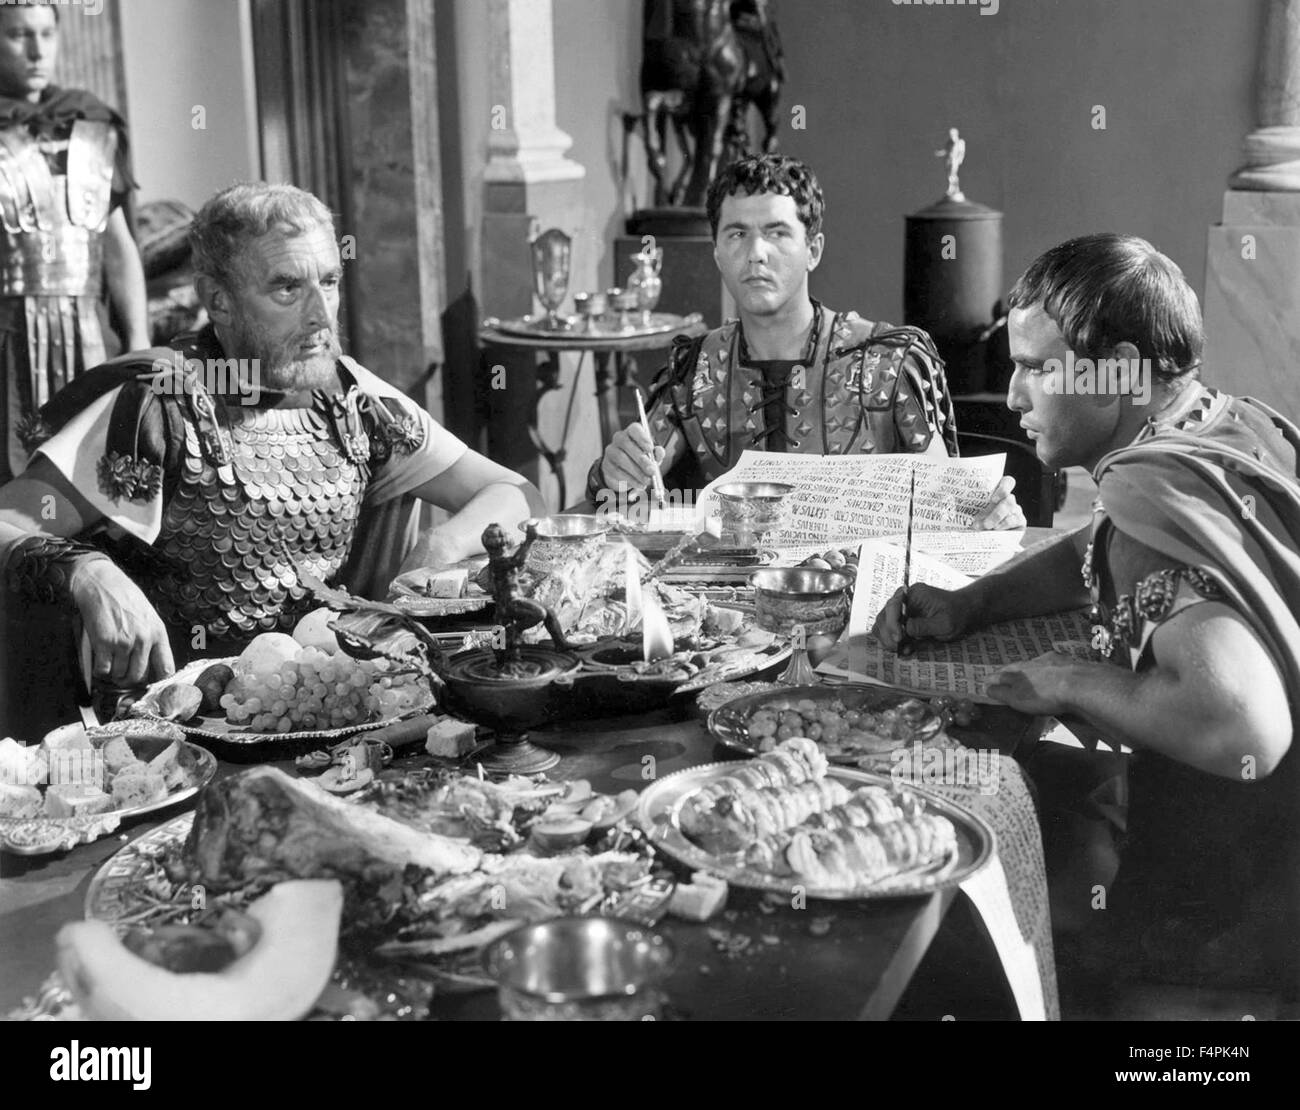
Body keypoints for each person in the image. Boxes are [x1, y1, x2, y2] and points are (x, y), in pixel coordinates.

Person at [873, 234, 1300, 1003]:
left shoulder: (1146, 495)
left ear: (1122, 372)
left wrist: (1071, 678)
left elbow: (1244, 726)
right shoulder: (1225, 426)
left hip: (1227, 913)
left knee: (943, 903)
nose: (1011, 397)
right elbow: (1101, 547)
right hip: (1267, 855)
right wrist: (977, 603)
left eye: (1038, 368)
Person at [0, 182, 546, 705]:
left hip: (331, 712)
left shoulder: (352, 399)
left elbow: (515, 492)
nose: (319, 315)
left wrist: (440, 547)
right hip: (181, 741)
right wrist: (88, 572)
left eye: (328, 282)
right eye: (287, 287)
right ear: (220, 301)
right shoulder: (155, 407)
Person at [585, 154, 1022, 530]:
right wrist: (614, 472)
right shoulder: (696, 369)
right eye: (737, 234)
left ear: (813, 249)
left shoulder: (889, 362)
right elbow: (627, 492)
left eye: (777, 232)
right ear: (717, 253)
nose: (756, 252)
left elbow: (950, 506)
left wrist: (990, 515)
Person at [0, 2, 148, 484]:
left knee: (101, 474)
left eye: (45, 33)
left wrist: (138, 339)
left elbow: (118, 245)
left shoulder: (91, 120)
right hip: (7, 333)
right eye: (19, 35)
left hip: (90, 330)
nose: (36, 49)